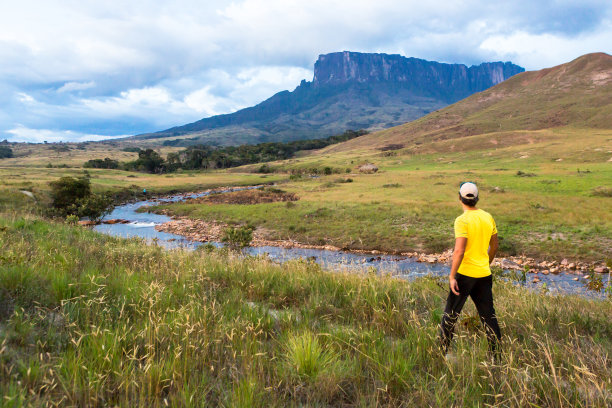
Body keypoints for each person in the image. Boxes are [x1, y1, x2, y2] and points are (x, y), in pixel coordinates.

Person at [439, 181, 502, 359]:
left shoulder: (462, 220)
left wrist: (452, 276)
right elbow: (495, 245)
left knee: (450, 315)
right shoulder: (488, 217)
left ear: (459, 198)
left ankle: (442, 354)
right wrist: (486, 263)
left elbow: (459, 250)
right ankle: (496, 357)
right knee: (489, 317)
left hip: (465, 275)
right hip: (484, 274)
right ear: (477, 199)